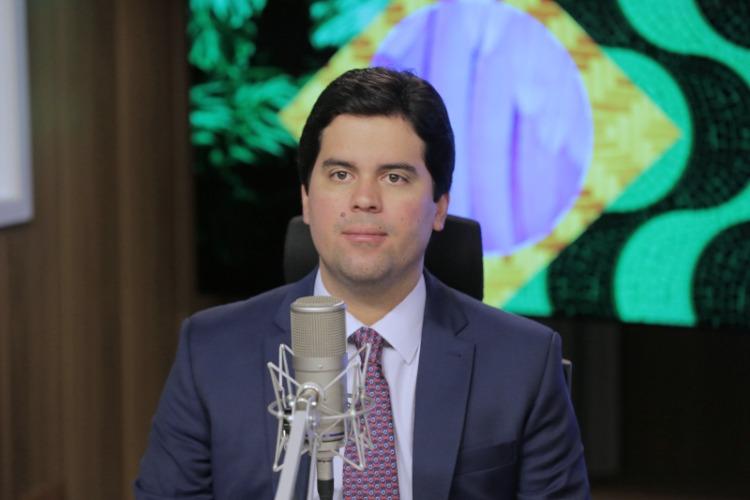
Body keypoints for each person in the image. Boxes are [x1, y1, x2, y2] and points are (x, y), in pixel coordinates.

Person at [134, 67, 590, 499]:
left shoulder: (524, 364)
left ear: (440, 207)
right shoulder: (212, 352)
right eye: (340, 174)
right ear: (306, 199)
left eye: (394, 177)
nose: (365, 199)